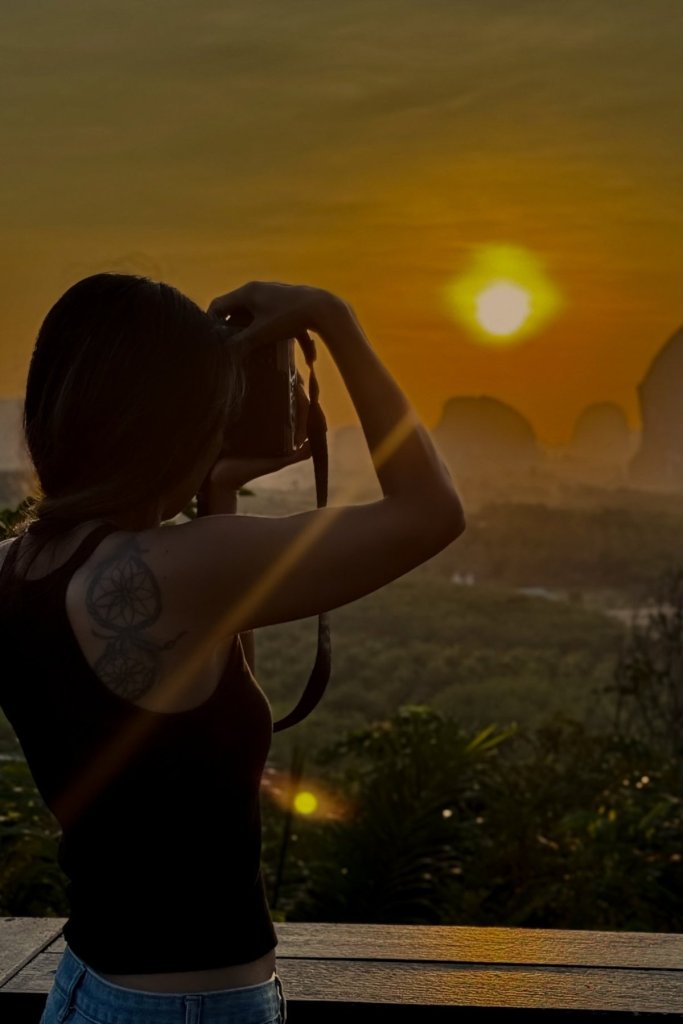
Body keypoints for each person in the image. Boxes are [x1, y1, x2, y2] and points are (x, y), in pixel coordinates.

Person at [0, 273, 465, 1024]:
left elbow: (178, 694)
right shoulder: (182, 570)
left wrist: (211, 492)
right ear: (179, 423)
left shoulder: (14, 568)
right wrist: (335, 318)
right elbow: (429, 512)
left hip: (87, 987)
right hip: (189, 1011)